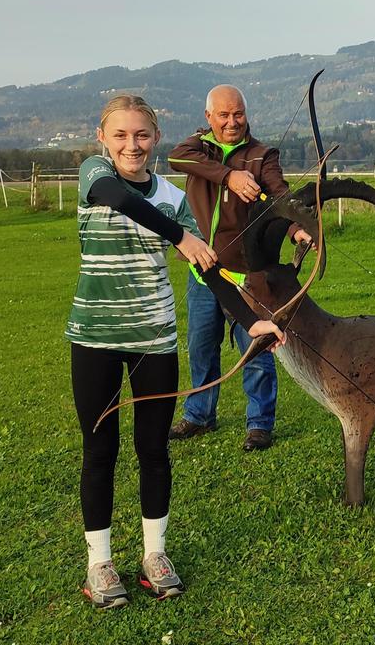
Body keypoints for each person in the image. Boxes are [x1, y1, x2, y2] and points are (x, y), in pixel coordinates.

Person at [68, 94, 286, 609]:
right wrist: (179, 238)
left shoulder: (171, 194)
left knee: (153, 451)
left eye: (141, 135)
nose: (131, 144)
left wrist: (250, 318)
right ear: (104, 139)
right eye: (120, 135)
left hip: (154, 340)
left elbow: (208, 268)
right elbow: (118, 199)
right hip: (95, 338)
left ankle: (154, 556)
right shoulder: (93, 173)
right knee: (100, 451)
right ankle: (100, 563)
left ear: (156, 138)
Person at [168, 84, 310, 451]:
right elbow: (176, 157)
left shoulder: (262, 155)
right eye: (224, 115)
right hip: (202, 269)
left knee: (255, 345)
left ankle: (259, 423)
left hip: (245, 274)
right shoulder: (195, 150)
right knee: (201, 346)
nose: (232, 122)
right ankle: (199, 415)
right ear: (208, 118)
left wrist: (296, 228)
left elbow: (281, 198)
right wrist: (228, 176)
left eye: (239, 114)